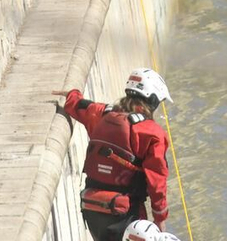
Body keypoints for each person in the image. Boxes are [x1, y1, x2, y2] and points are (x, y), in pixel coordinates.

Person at [54, 68, 172, 240]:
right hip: (125, 212)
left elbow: (79, 106)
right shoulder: (151, 132)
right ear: (152, 100)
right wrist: (160, 218)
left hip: (91, 208)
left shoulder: (103, 114)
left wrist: (72, 94)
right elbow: (157, 181)